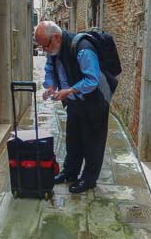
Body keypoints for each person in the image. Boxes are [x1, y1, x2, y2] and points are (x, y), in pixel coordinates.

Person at [34, 21, 111, 194]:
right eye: (41, 47)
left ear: (56, 37)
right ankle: (70, 173)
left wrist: (69, 90)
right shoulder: (54, 49)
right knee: (73, 139)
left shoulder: (83, 48)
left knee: (93, 142)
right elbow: (50, 69)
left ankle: (89, 180)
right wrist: (51, 87)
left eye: (45, 46)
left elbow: (92, 79)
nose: (44, 50)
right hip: (75, 101)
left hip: (95, 100)